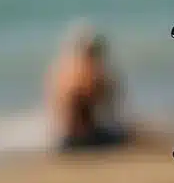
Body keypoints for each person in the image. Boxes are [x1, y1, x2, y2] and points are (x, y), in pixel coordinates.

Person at [46, 21, 127, 150]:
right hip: (81, 139)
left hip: (62, 139)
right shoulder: (90, 76)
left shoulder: (62, 71)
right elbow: (110, 110)